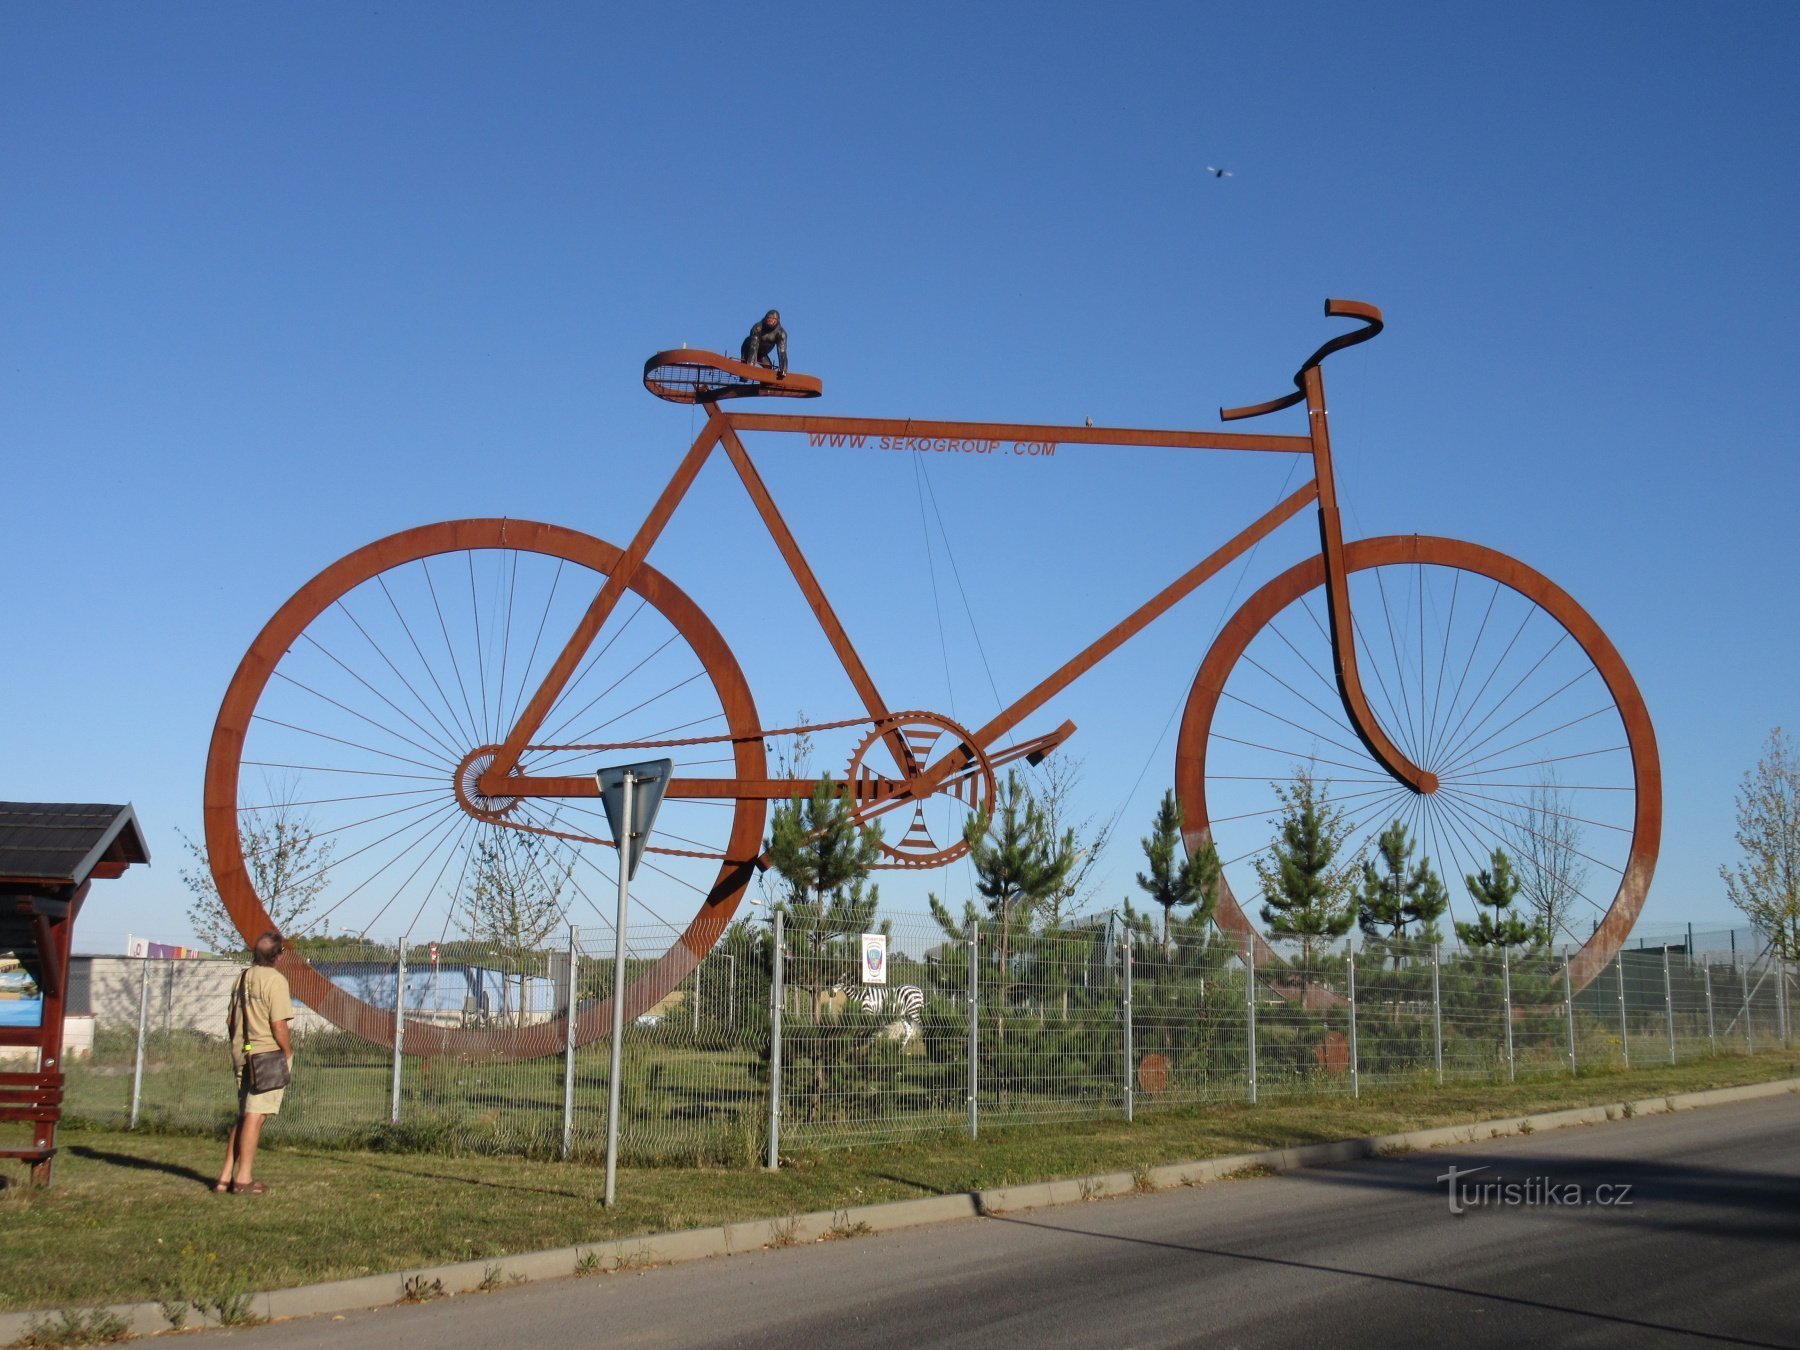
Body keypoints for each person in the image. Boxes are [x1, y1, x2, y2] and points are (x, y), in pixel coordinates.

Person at [215, 930, 293, 1195]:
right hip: (267, 1055)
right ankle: (244, 1179)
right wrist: (287, 1051)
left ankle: (225, 1177)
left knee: (244, 1115)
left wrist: (240, 1045)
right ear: (278, 956)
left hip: (241, 1052)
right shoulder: (275, 980)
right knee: (255, 1116)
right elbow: (278, 1024)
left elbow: (230, 1022)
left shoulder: (242, 978)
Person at [740, 309, 788, 376]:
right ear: (765, 318)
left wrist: (783, 370)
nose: (770, 320)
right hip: (749, 349)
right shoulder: (757, 327)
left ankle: (764, 384)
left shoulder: (781, 333)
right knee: (745, 372)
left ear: (777, 321)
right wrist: (750, 366)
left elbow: (782, 352)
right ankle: (744, 376)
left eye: (773, 318)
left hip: (762, 353)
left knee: (768, 368)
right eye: (769, 317)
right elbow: (753, 347)